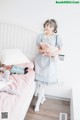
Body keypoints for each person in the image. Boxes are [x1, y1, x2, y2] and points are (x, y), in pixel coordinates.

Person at [34, 19, 63, 112]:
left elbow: (60, 49)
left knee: (43, 84)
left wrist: (52, 54)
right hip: (40, 61)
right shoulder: (40, 36)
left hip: (50, 62)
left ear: (54, 28)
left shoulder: (57, 37)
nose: (48, 27)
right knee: (40, 83)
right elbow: (38, 50)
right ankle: (42, 98)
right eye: (46, 25)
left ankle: (38, 103)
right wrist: (44, 51)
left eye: (50, 26)